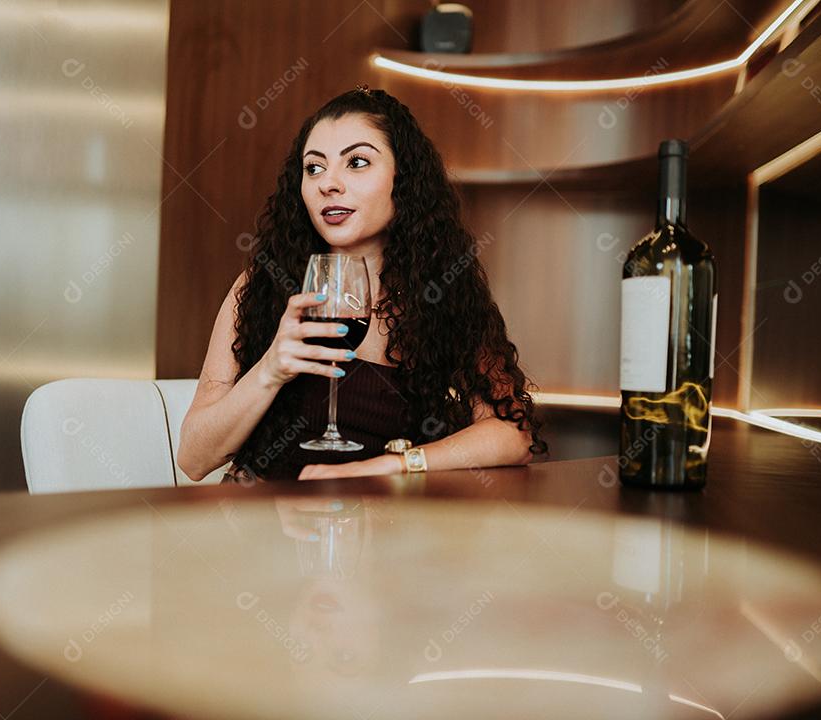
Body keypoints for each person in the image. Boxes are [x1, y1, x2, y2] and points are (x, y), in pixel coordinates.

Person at [176, 85, 547, 483]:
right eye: (314, 167)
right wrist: (271, 369)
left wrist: (392, 464)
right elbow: (194, 459)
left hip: (379, 528)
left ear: (402, 178)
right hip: (262, 523)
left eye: (356, 162)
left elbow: (513, 435)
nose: (328, 183)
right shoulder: (261, 286)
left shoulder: (444, 294)